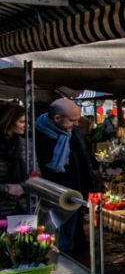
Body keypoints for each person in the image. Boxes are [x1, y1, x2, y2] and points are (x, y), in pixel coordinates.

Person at [34, 98, 100, 251]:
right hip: (48, 197)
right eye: (72, 120)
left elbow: (84, 161)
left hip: (73, 195)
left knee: (68, 239)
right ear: (57, 118)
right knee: (51, 240)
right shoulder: (36, 135)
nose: (76, 124)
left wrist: (87, 189)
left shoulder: (73, 133)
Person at [0, 104, 28, 220]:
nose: (26, 125)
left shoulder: (26, 145)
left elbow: (35, 173)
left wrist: (22, 187)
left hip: (23, 205)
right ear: (9, 122)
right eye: (21, 122)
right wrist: (5, 189)